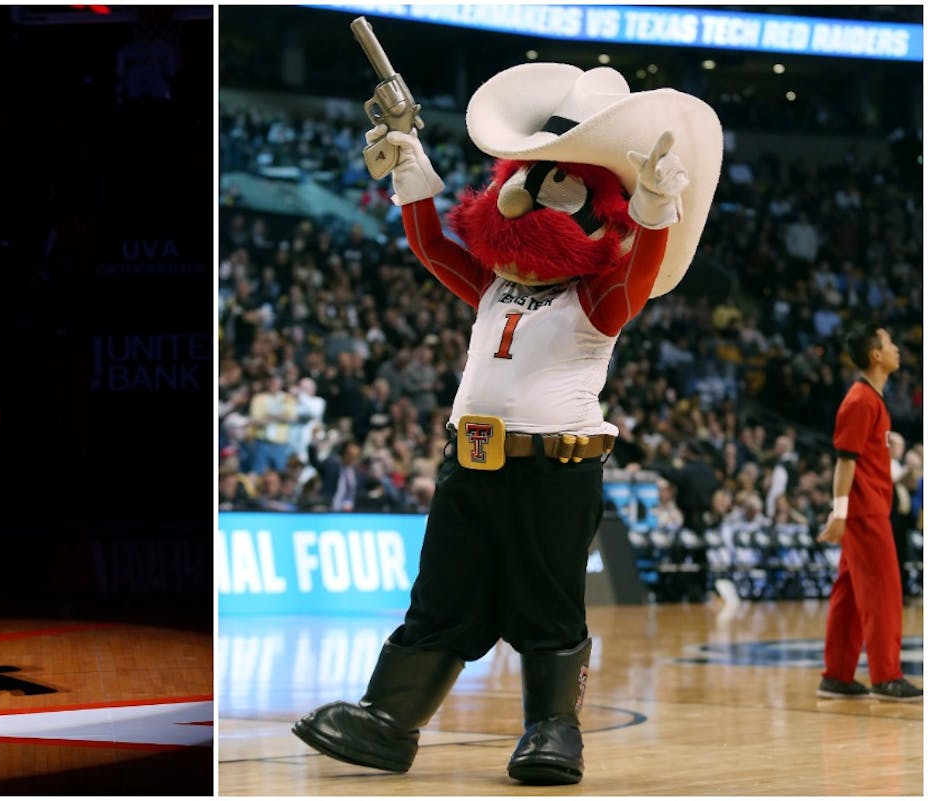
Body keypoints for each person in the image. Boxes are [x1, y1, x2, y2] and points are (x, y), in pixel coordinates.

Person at [292, 63, 721, 785]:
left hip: (556, 470)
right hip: (470, 465)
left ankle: (554, 729)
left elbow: (638, 275)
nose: (523, 198)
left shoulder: (595, 303)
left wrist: (652, 210)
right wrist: (411, 167)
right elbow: (433, 247)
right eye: (523, 181)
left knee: (549, 602)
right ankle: (389, 720)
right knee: (441, 594)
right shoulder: (493, 288)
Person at [815, 324, 921, 701]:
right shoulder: (859, 401)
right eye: (890, 343)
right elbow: (845, 462)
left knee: (848, 594)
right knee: (884, 593)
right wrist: (839, 513)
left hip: (868, 509)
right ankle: (886, 676)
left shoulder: (873, 400)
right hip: (865, 513)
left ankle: (838, 675)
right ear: (876, 355)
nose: (897, 348)